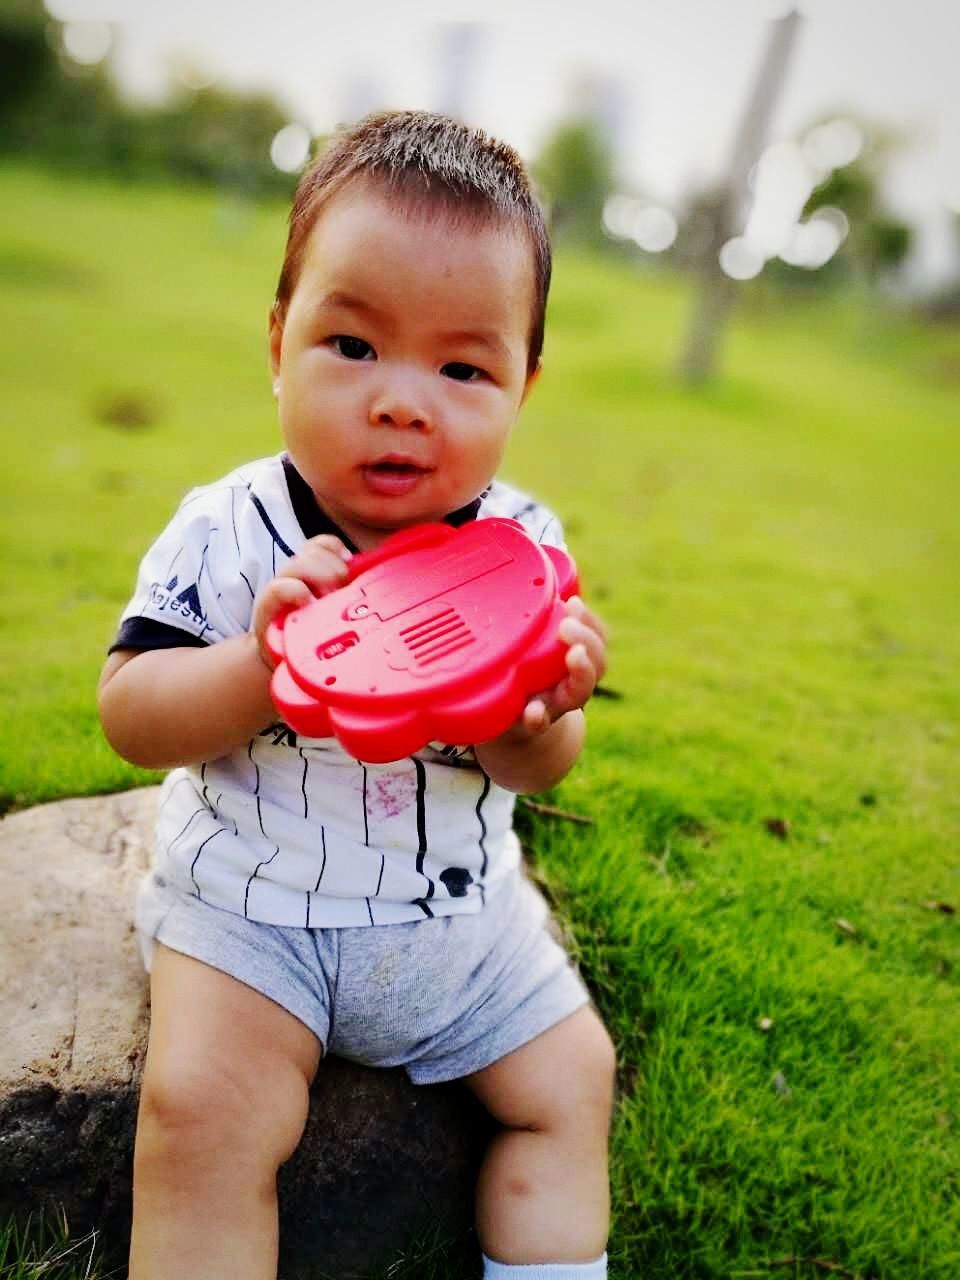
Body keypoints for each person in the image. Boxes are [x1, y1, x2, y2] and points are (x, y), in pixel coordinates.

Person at [98, 110, 614, 1280]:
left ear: (526, 382)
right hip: (253, 918)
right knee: (199, 1115)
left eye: (463, 366)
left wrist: (543, 708)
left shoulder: (520, 550)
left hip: (464, 926)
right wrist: (254, 664)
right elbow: (130, 709)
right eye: (353, 345)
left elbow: (543, 764)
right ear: (279, 340)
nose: (401, 400)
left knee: (574, 1081)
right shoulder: (230, 529)